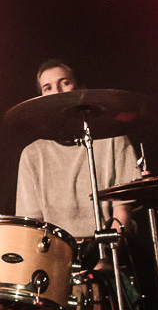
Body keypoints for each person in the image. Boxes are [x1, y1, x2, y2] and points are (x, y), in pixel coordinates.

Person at [14, 59, 141, 241]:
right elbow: (33, 227)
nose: (57, 92)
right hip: (57, 253)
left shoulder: (115, 141)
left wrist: (106, 255)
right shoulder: (32, 154)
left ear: (81, 88)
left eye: (65, 83)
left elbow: (122, 215)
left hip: (109, 249)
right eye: (47, 88)